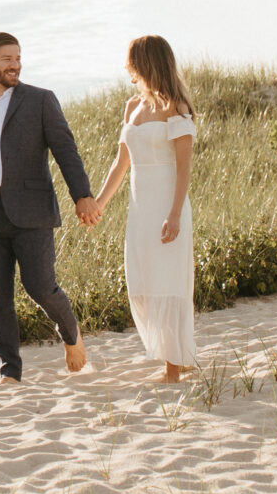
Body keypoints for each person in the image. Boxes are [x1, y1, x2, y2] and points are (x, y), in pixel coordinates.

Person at [0, 31, 103, 385]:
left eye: (17, 58)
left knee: (41, 287)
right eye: (6, 60)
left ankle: (71, 333)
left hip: (31, 211)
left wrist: (83, 195)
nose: (14, 65)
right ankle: (9, 372)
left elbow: (66, 150)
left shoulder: (40, 100)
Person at [84, 34, 198, 382]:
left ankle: (173, 368)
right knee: (141, 284)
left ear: (146, 63)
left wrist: (175, 213)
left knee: (169, 282)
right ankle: (175, 353)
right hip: (139, 206)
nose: (127, 67)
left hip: (167, 203)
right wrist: (98, 204)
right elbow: (120, 164)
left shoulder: (176, 107)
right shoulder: (132, 106)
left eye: (132, 60)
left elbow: (183, 169)